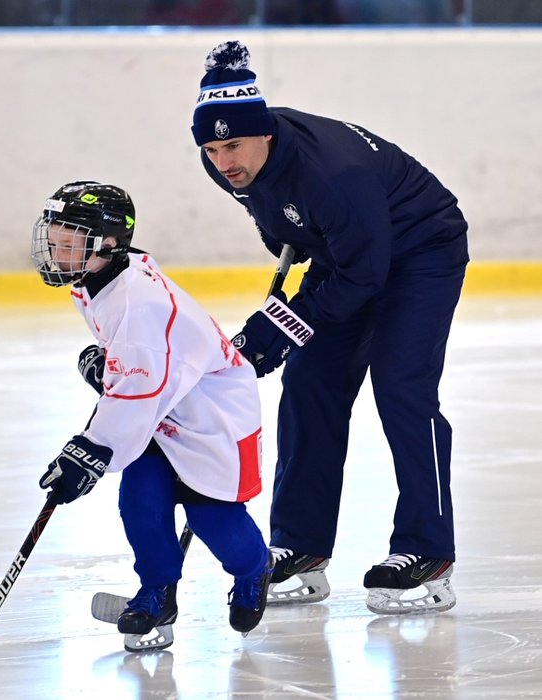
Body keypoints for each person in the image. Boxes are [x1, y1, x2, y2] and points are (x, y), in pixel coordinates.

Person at [190, 40, 468, 614]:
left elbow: (363, 277)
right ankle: (300, 545)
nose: (224, 161)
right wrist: (282, 323)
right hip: (348, 256)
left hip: (420, 253)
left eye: (234, 145)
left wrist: (281, 325)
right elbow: (286, 228)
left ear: (265, 133)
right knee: (310, 384)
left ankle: (427, 549)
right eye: (212, 149)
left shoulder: (332, 172)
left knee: (401, 390)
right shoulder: (231, 163)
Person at [31, 180, 273, 650]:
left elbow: (138, 392)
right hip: (161, 408)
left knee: (213, 520)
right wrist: (110, 365)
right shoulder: (98, 276)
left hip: (211, 419)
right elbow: (142, 369)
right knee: (141, 502)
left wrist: (91, 452)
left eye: (68, 243)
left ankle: (254, 567)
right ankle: (157, 592)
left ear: (108, 242)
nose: (56, 253)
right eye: (54, 240)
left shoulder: (139, 302)